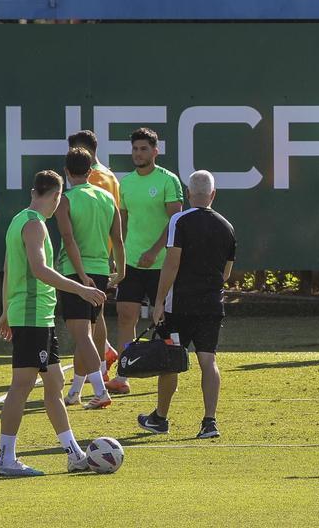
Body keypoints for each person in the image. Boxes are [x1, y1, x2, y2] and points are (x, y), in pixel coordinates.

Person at [0, 170, 109, 477]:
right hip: (32, 315)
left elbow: (8, 269)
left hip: (35, 316)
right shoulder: (33, 224)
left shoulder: (21, 220)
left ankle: (74, 454)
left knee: (55, 384)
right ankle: (6, 458)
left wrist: (6, 310)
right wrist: (81, 289)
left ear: (34, 191)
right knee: (21, 386)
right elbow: (40, 269)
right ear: (57, 197)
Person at [142, 170, 237, 440]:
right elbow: (227, 273)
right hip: (210, 305)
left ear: (188, 193)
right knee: (208, 361)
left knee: (171, 361)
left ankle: (160, 418)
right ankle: (209, 421)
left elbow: (172, 263)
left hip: (179, 305)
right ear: (213, 194)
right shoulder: (226, 226)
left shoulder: (179, 220)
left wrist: (159, 302)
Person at [109, 128, 183, 396]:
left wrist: (154, 250)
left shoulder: (168, 180)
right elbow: (123, 224)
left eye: (143, 149)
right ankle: (123, 374)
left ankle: (171, 369)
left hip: (162, 265)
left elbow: (176, 222)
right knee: (125, 315)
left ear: (155, 151)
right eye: (135, 149)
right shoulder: (125, 183)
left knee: (164, 320)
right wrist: (117, 257)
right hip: (131, 264)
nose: (138, 154)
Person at [55, 147, 124, 409]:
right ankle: (75, 391)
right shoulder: (107, 197)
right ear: (91, 171)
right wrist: (122, 269)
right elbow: (117, 239)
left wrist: (80, 275)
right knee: (88, 333)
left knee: (82, 336)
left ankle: (99, 390)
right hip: (101, 271)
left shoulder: (66, 199)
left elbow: (68, 239)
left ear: (66, 171)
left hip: (76, 272)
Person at [67, 129, 122, 377]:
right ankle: (102, 358)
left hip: (88, 256)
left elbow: (79, 228)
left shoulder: (95, 180)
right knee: (94, 317)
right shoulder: (110, 176)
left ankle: (98, 367)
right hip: (102, 254)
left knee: (89, 322)